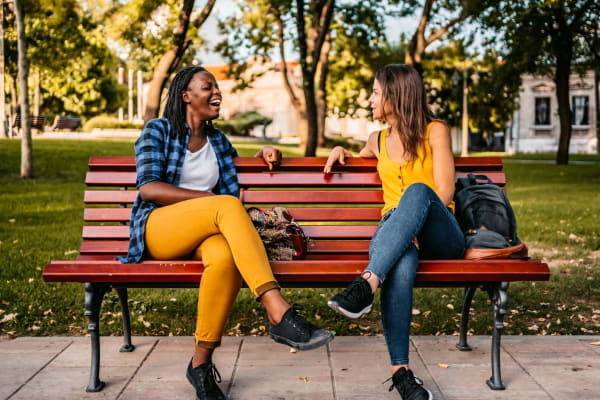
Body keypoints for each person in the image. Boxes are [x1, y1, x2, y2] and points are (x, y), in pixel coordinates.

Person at [119, 66, 334, 400]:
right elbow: (149, 189)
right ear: (185, 95)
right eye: (208, 87)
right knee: (225, 205)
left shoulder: (218, 140)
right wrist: (208, 200)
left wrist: (262, 154)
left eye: (217, 88)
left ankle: (200, 366)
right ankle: (277, 308)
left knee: (224, 257)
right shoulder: (157, 130)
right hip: (159, 230)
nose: (217, 93)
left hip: (203, 235)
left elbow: (229, 189)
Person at [324, 64, 465, 400]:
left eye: (375, 92)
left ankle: (366, 284)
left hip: (439, 231)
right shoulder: (377, 139)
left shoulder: (436, 131)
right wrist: (341, 151)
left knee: (417, 190)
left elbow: (444, 192)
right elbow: (358, 158)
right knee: (400, 261)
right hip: (397, 235)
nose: (369, 99)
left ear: (396, 95)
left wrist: (413, 223)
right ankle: (400, 373)